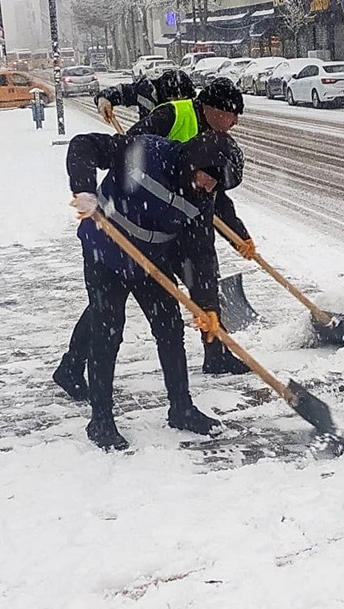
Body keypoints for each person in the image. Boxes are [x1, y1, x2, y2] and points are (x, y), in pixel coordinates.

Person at [53, 77, 252, 399]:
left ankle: (215, 354)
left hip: (174, 224)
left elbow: (213, 195)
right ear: (215, 109)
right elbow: (132, 148)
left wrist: (240, 235)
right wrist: (92, 189)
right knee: (107, 306)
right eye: (233, 114)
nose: (236, 122)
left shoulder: (215, 143)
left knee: (202, 281)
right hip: (140, 221)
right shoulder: (173, 115)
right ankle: (72, 365)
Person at [66, 130, 245, 450]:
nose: (210, 188)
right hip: (104, 253)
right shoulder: (144, 151)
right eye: (209, 178)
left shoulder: (201, 199)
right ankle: (101, 420)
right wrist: (83, 188)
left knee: (170, 328)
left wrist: (207, 306)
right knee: (107, 331)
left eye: (217, 185)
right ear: (195, 162)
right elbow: (84, 145)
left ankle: (181, 408)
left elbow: (200, 254)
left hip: (149, 262)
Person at [94, 68, 194, 124]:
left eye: (183, 99)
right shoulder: (145, 92)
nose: (177, 103)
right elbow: (123, 91)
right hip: (149, 148)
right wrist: (104, 98)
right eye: (171, 99)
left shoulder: (199, 105)